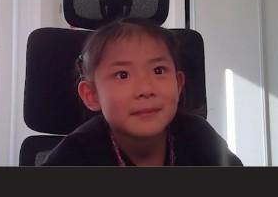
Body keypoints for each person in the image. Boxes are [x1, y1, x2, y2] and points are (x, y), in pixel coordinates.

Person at [41, 18, 242, 166]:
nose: (145, 89)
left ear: (178, 84)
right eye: (122, 75)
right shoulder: (73, 155)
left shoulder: (199, 137)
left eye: (158, 70)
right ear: (91, 95)